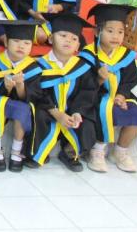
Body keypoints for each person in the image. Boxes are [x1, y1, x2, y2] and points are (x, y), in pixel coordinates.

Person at [80, 4, 137, 173]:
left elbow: (131, 79)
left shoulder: (125, 55)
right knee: (104, 109)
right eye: (110, 31)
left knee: (136, 113)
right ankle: (97, 151)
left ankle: (120, 151)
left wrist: (121, 95)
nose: (116, 36)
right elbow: (82, 84)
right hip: (95, 96)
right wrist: (99, 79)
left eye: (120, 32)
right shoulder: (88, 55)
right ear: (97, 32)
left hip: (119, 96)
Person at [30, 13, 98, 172]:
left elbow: (88, 93)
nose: (68, 40)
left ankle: (69, 152)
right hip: (48, 110)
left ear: (78, 45)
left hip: (71, 111)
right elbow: (36, 93)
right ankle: (40, 152)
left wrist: (77, 112)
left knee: (87, 121)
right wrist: (56, 113)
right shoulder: (39, 65)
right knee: (37, 115)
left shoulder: (82, 67)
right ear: (51, 39)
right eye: (63, 35)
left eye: (74, 39)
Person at [0, 20, 43, 172]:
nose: (21, 46)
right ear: (6, 42)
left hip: (18, 105)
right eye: (16, 41)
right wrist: (5, 88)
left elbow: (33, 97)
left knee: (23, 108)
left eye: (27, 43)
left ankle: (17, 149)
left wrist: (20, 86)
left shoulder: (33, 67)